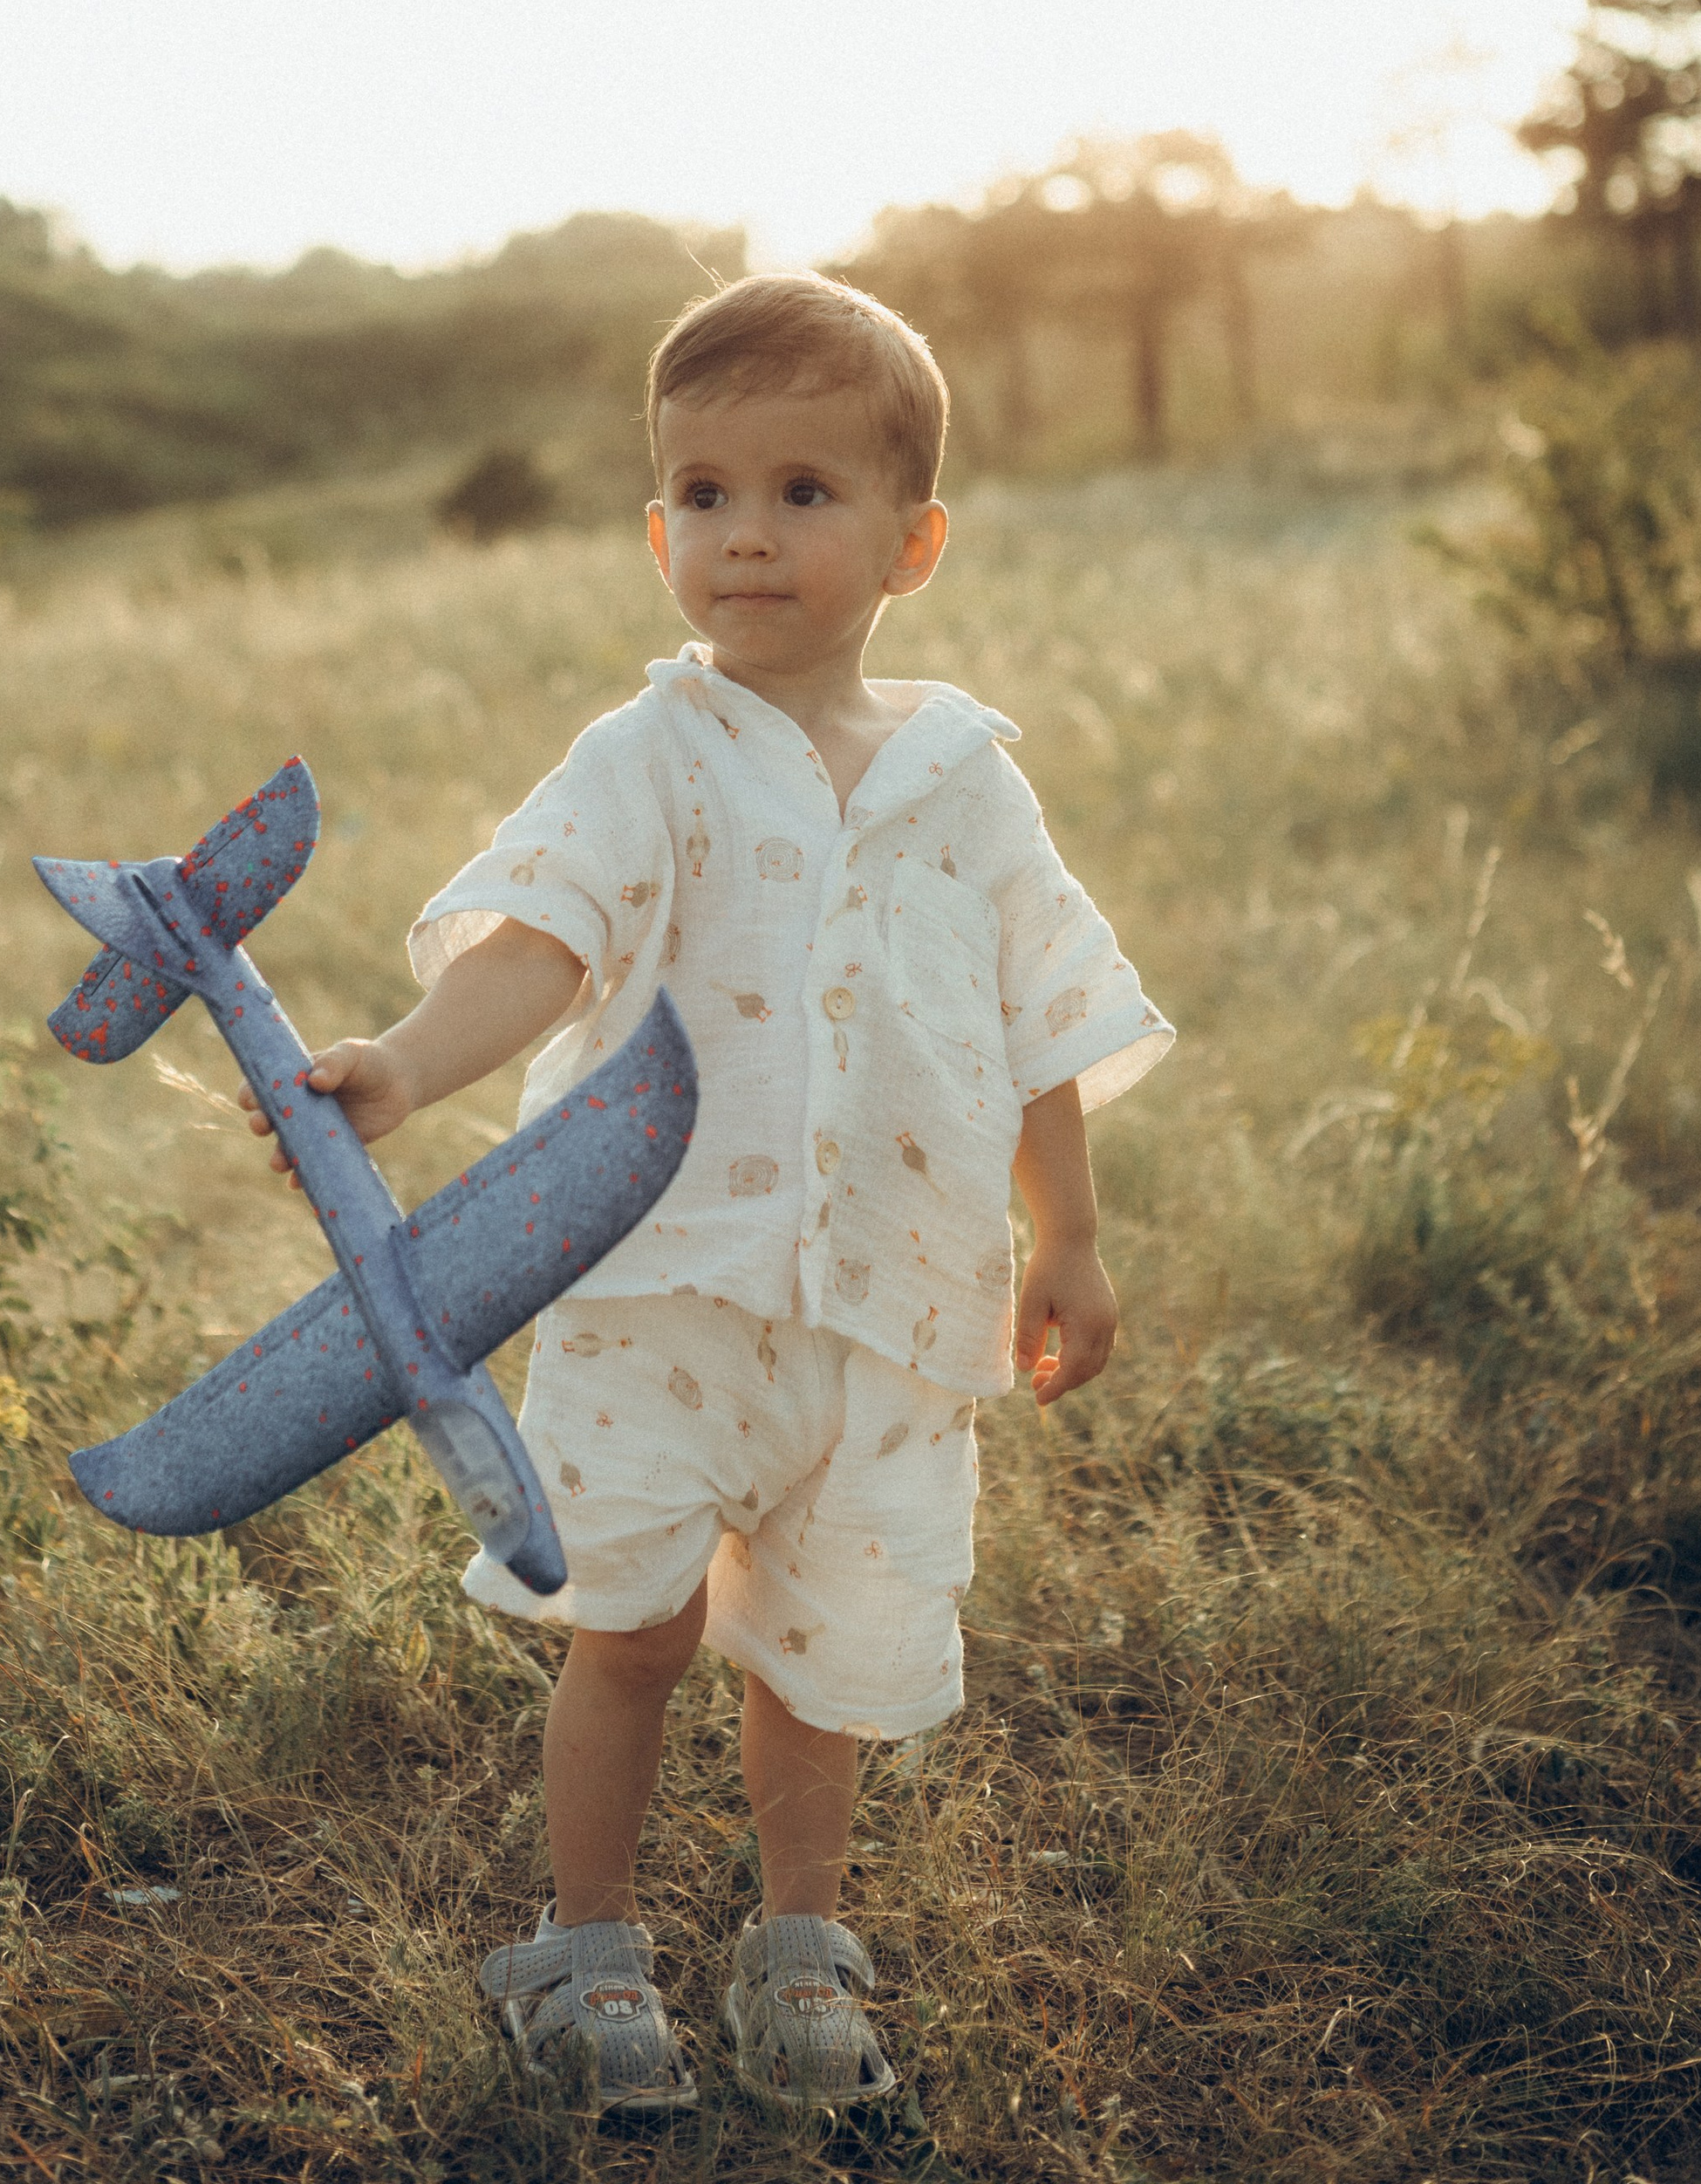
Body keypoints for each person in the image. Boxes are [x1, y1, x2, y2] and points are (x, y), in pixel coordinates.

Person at [239, 272, 1172, 2111]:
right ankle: (583, 1952)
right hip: (661, 1283)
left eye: (803, 493)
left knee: (818, 1657)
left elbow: (1032, 1018)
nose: (747, 534)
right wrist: (405, 1065)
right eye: (706, 492)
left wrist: (1064, 1232)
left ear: (910, 542)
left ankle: (799, 1950)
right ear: (657, 529)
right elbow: (540, 944)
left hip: (888, 1304)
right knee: (637, 1628)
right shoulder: (645, 756)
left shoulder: (966, 784)